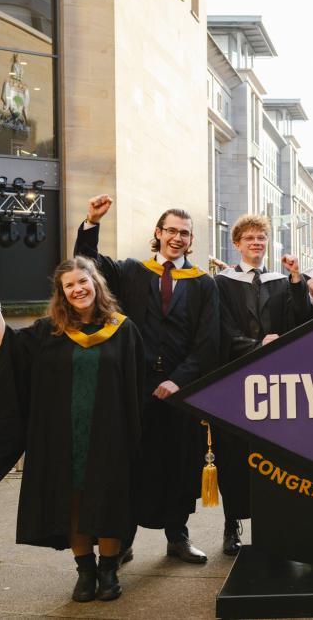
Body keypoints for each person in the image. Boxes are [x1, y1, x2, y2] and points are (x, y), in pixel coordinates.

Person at [0, 258, 143, 602]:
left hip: (109, 434)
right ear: (62, 293)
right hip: (62, 436)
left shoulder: (123, 329)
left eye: (83, 281)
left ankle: (109, 569)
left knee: (108, 499)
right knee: (73, 500)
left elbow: (136, 387)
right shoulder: (49, 329)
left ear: (96, 283)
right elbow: (7, 345)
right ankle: (85, 571)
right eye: (69, 285)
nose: (78, 289)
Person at [75, 195, 219, 564]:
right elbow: (89, 266)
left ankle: (178, 537)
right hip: (133, 384)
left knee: (179, 462)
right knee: (131, 461)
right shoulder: (131, 272)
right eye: (171, 230)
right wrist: (92, 223)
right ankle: (122, 541)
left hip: (179, 389)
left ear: (191, 240)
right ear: (158, 232)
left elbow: (208, 340)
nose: (177, 237)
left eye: (185, 233)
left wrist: (180, 380)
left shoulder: (203, 283)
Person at [215, 214, 308, 554]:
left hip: (275, 379)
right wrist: (255, 346)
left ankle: (276, 520)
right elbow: (221, 328)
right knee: (234, 452)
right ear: (237, 244)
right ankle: (232, 521)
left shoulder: (280, 281)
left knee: (275, 452)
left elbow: (296, 320)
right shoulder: (221, 283)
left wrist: (296, 280)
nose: (256, 242)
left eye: (261, 238)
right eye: (249, 238)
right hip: (237, 377)